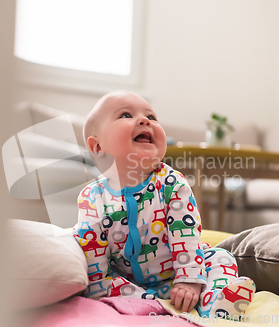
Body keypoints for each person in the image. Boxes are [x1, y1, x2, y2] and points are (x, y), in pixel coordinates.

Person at [72, 90, 255, 319]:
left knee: (220, 257)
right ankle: (148, 305)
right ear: (97, 147)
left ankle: (214, 301)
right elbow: (94, 256)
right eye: (126, 115)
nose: (144, 120)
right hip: (128, 282)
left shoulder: (171, 184)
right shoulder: (92, 198)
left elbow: (186, 234)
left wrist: (188, 280)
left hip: (178, 274)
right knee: (101, 284)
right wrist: (97, 287)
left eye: (152, 117)